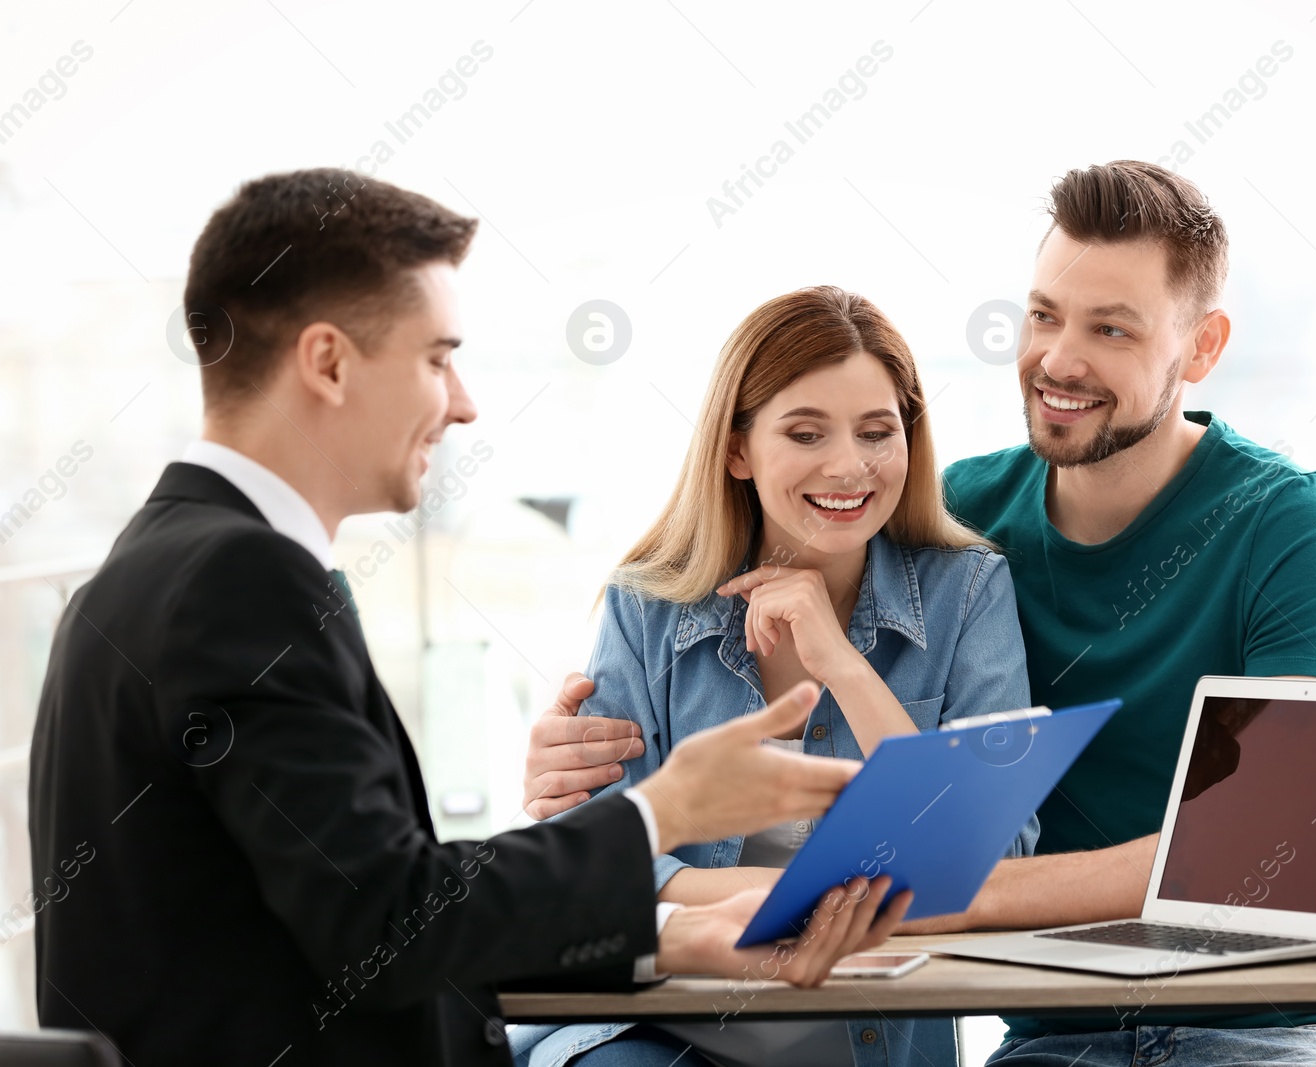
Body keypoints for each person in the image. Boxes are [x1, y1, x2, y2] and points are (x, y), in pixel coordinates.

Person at [522, 161, 1316, 1067]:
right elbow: (591, 850)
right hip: (1060, 1034)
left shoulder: (1286, 520)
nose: (1059, 358)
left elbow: (1283, 841)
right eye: (1044, 315)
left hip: (1272, 1023)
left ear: (1202, 347)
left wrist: (930, 887)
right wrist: (570, 770)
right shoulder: (964, 520)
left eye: (1111, 329)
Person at [27, 170, 907, 1067]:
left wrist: (666, 931)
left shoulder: (164, 559)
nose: (463, 401)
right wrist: (662, 809)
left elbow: (361, 900)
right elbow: (388, 921)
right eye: (437, 358)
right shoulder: (241, 580)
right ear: (327, 362)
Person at [512, 286, 1034, 1067]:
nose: (848, 465)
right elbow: (600, 860)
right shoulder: (649, 603)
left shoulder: (969, 593)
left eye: (875, 431)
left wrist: (844, 665)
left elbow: (998, 860)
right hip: (661, 1032)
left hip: (868, 1042)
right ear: (737, 449)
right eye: (805, 432)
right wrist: (802, 902)